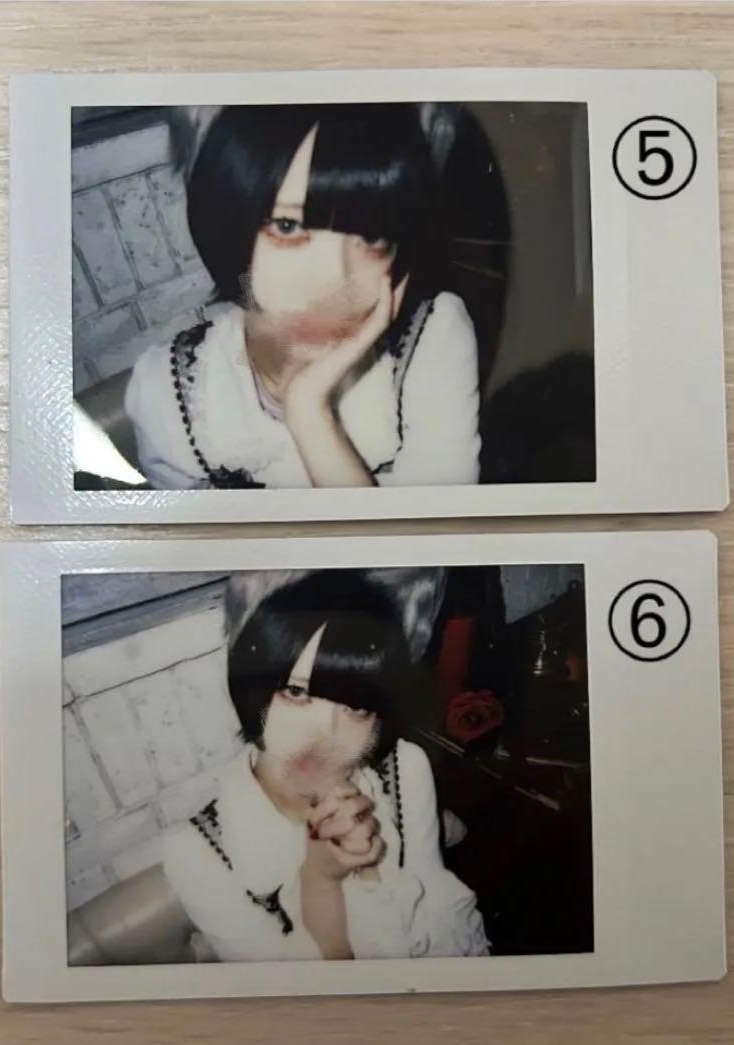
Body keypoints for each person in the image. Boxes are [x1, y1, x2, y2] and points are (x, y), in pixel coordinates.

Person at [125, 104, 482, 489]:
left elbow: (426, 529)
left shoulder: (433, 339)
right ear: (227, 222)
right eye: (288, 226)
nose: (333, 282)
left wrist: (311, 414)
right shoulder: (167, 396)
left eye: (372, 237)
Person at [161, 571, 490, 961]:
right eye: (297, 692)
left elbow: (453, 933)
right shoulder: (195, 854)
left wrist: (372, 873)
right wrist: (320, 884)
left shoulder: (404, 769)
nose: (323, 738)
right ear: (255, 692)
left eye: (356, 707)